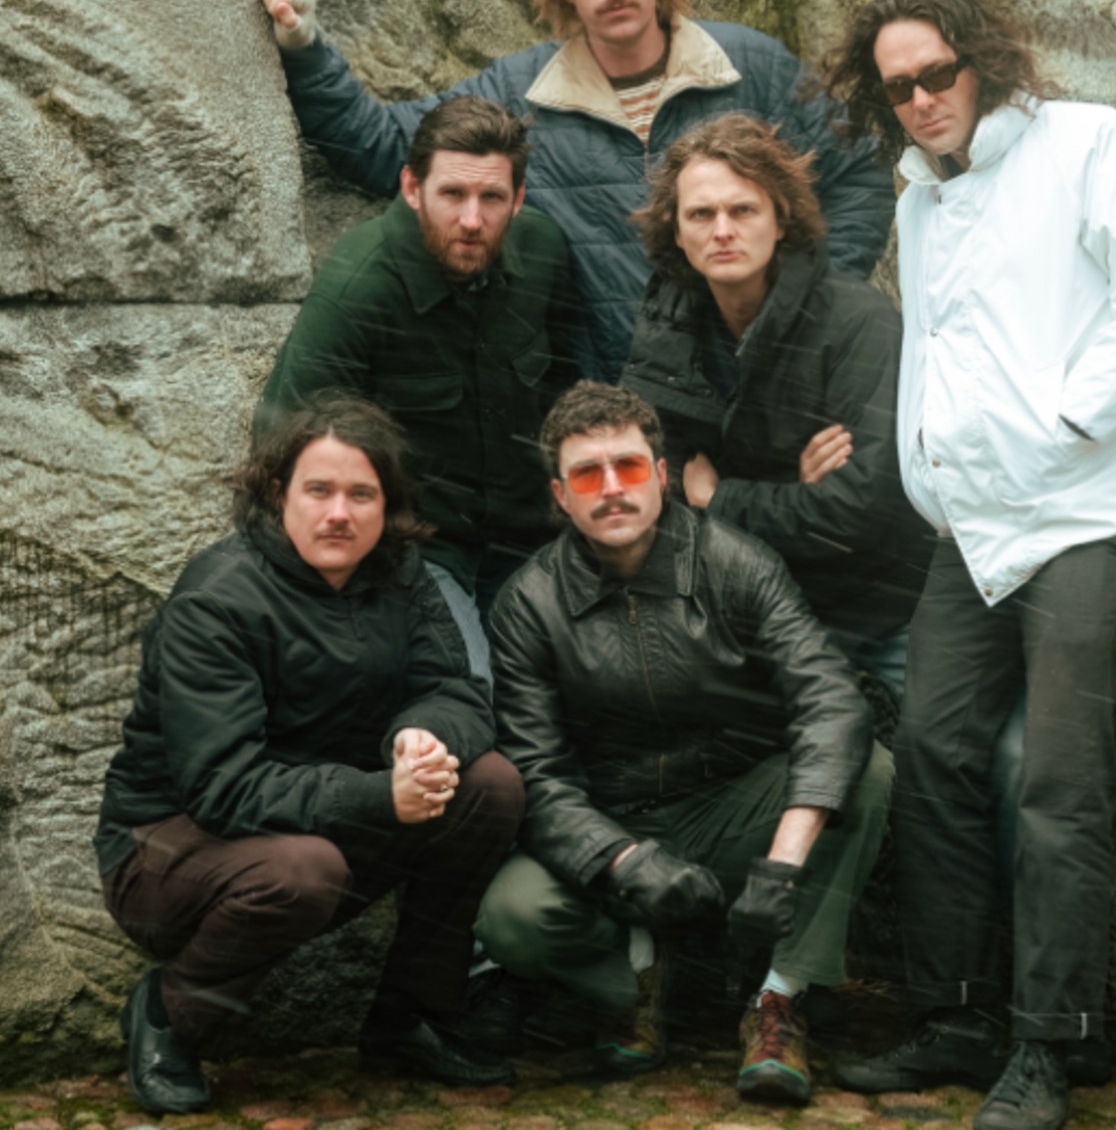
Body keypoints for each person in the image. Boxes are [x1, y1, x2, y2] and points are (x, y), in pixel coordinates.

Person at [820, 0, 1116, 1130]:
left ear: (981, 58)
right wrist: (929, 469)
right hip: (974, 527)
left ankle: (1053, 1041)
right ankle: (952, 1014)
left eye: (935, 73)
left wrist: (1060, 427)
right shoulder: (918, 197)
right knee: (932, 748)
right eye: (896, 87)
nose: (919, 99)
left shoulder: (1093, 146)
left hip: (1094, 511)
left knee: (1054, 775)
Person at [254, 0, 893, 383]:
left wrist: (806, 305)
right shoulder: (522, 94)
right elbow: (385, 146)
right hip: (619, 421)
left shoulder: (751, 66)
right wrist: (304, 45)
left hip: (770, 391)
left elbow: (860, 172)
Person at [94, 397, 525, 1113]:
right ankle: (171, 1015)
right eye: (318, 490)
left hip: (322, 823)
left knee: (489, 785)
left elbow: (454, 690)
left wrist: (420, 737)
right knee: (304, 871)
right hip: (165, 851)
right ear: (277, 494)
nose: (339, 514)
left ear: (387, 505)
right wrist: (379, 796)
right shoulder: (216, 599)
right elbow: (222, 787)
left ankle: (408, 1018)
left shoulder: (402, 573)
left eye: (362, 494)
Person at [475, 382, 893, 1105]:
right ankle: (639, 975)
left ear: (662, 476)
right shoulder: (528, 603)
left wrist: (782, 866)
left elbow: (830, 697)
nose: (612, 488)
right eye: (587, 474)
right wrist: (622, 859)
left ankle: (779, 996)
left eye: (629, 466)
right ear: (560, 496)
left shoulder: (736, 562)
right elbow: (536, 772)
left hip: (735, 807)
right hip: (611, 822)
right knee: (513, 917)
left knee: (868, 770)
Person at [254, 97, 577, 669]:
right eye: (452, 194)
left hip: (530, 541)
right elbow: (282, 443)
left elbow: (569, 396)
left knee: (582, 687)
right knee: (469, 691)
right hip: (420, 552)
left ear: (518, 199)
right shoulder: (360, 284)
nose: (472, 220)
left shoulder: (542, 250)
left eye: (492, 198)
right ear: (412, 188)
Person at [618, 113, 933, 693]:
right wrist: (792, 485)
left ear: (781, 220)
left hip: (878, 605)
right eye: (701, 214)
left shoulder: (859, 322)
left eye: (743, 210)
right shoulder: (668, 326)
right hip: (743, 608)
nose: (722, 230)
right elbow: (652, 493)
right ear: (676, 231)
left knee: (948, 743)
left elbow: (857, 510)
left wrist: (721, 497)